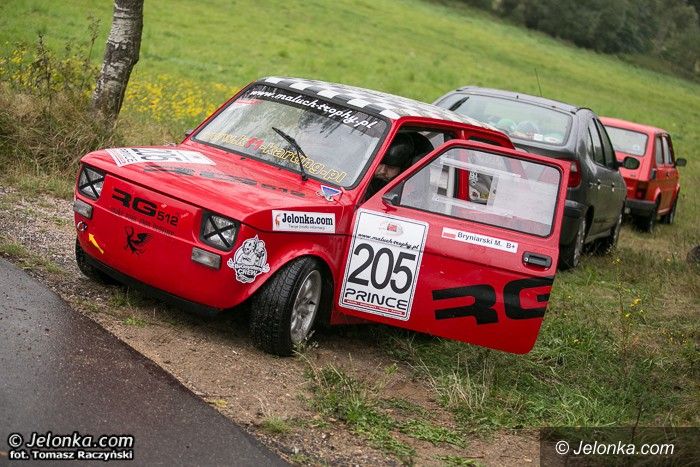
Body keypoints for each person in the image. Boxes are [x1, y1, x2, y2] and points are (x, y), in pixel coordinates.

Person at [365, 133, 415, 199]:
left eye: (391, 167)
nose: (382, 171)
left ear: (403, 168)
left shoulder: (405, 191)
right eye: (380, 164)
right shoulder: (359, 176)